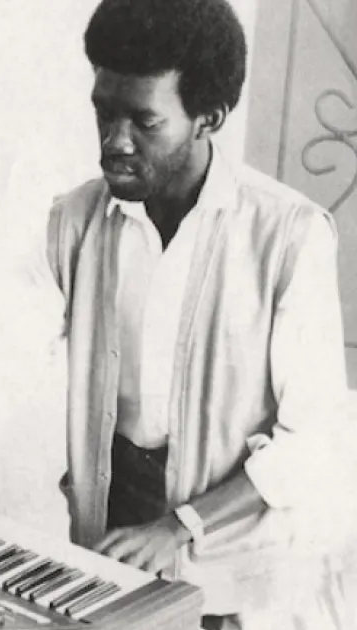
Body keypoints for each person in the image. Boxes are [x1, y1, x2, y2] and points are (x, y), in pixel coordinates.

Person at [46, 0, 355, 626]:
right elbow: (8, 360)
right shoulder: (74, 219)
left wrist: (182, 525)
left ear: (208, 118)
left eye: (145, 121)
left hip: (239, 562)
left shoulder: (289, 234)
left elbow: (316, 437)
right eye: (104, 112)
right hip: (114, 533)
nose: (115, 141)